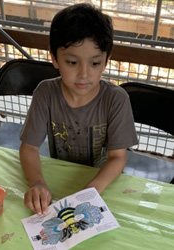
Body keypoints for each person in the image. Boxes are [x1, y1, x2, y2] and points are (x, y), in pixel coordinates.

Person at [19, 3, 138, 215]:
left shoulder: (116, 99)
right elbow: (29, 148)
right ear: (54, 58)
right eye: (72, 62)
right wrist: (37, 182)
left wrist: (92, 190)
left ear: (106, 61)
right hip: (60, 175)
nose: (84, 74)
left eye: (94, 64)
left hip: (104, 182)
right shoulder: (45, 93)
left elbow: (118, 158)